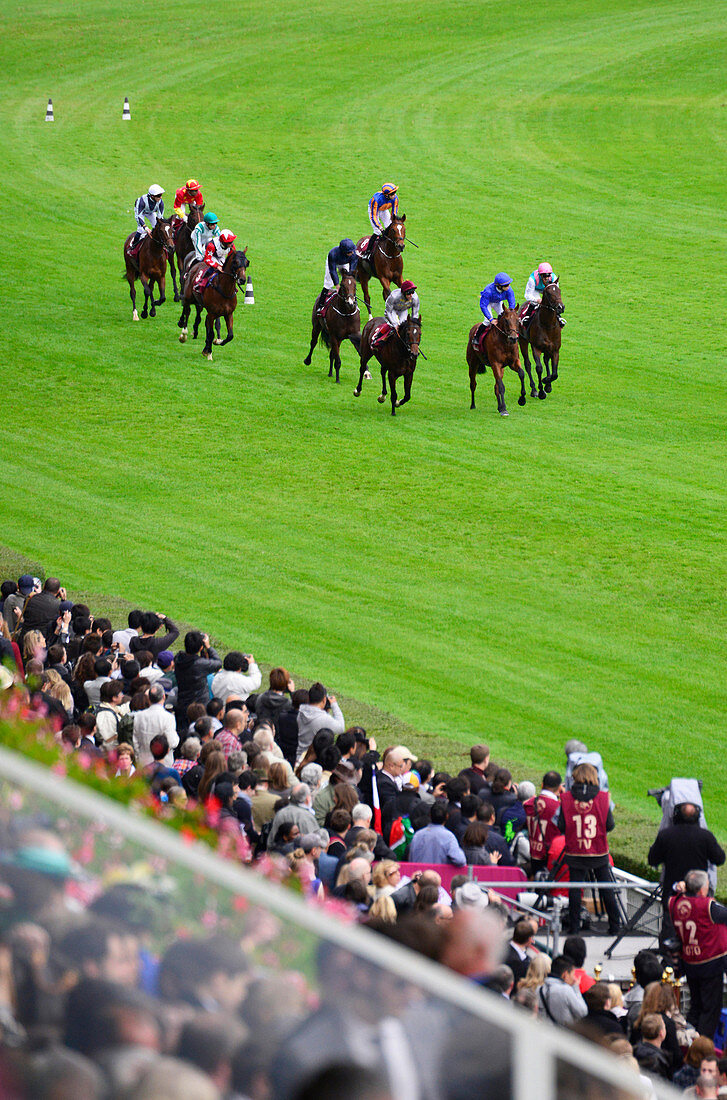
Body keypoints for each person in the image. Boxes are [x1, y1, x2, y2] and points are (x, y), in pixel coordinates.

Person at [557, 761, 620, 935]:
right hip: (598, 851)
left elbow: (561, 825)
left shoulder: (566, 798)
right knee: (606, 887)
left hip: (575, 851)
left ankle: (574, 927)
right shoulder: (603, 797)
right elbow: (610, 825)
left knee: (575, 889)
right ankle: (615, 926)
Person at [648, 802, 725, 941]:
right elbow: (719, 858)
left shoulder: (666, 835)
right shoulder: (705, 836)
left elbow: (652, 860)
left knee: (670, 934)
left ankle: (668, 961)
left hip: (672, 895)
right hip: (698, 897)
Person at [669, 869, 727, 1038]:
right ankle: (699, 1047)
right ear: (702, 889)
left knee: (696, 1006)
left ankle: (688, 1041)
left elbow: (673, 893)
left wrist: (677, 887)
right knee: (710, 1009)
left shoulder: (674, 902)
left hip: (689, 962)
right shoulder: (708, 906)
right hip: (711, 963)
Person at [523, 772, 563, 874]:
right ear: (559, 788)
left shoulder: (528, 804)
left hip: (534, 854)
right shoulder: (558, 808)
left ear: (542, 785)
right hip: (550, 857)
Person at [296, 682, 345, 760]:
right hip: (312, 759)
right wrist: (334, 705)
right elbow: (341, 728)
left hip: (298, 755)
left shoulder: (301, 712)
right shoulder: (323, 718)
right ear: (324, 700)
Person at [538, 955, 587, 1026]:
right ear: (565, 974)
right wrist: (576, 988)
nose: (574, 978)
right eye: (573, 974)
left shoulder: (539, 989)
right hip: (563, 1033)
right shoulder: (566, 990)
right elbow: (583, 1012)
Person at [370, 281, 420, 348]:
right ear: (404, 293)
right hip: (392, 310)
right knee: (393, 325)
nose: (411, 295)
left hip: (403, 310)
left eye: (412, 292)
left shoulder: (415, 298)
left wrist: (414, 325)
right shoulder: (394, 296)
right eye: (409, 293)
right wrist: (395, 324)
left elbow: (415, 314)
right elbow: (388, 311)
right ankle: (377, 338)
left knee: (404, 326)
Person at [314, 239, 357, 312]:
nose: (352, 252)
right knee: (328, 283)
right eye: (350, 252)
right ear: (344, 252)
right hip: (334, 263)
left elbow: (352, 267)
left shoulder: (354, 254)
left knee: (350, 283)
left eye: (352, 251)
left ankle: (354, 303)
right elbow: (333, 270)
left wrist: (349, 275)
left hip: (345, 263)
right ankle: (320, 306)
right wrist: (337, 284)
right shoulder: (333, 254)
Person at [362, 182, 399, 262]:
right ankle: (367, 253)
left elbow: (394, 213)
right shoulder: (376, 200)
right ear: (386, 195)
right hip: (374, 210)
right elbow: (374, 216)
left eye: (395, 193)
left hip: (384, 209)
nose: (394, 195)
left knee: (390, 227)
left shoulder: (395, 198)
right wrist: (380, 227)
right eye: (392, 193)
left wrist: (394, 223)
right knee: (378, 231)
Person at [521, 262, 564, 328]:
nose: (547, 278)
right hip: (536, 289)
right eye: (544, 275)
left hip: (548, 289)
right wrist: (537, 300)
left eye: (548, 275)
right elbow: (527, 295)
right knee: (534, 303)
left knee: (552, 302)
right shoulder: (532, 279)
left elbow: (556, 293)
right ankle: (527, 317)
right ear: (540, 275)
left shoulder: (553, 278)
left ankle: (558, 317)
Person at [131, 185, 165, 250]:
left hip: (151, 212)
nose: (160, 197)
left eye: (161, 195)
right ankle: (133, 246)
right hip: (140, 212)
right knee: (141, 230)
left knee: (158, 227)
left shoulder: (160, 202)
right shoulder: (142, 201)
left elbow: (160, 218)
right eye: (158, 196)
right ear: (152, 196)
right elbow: (139, 216)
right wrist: (146, 228)